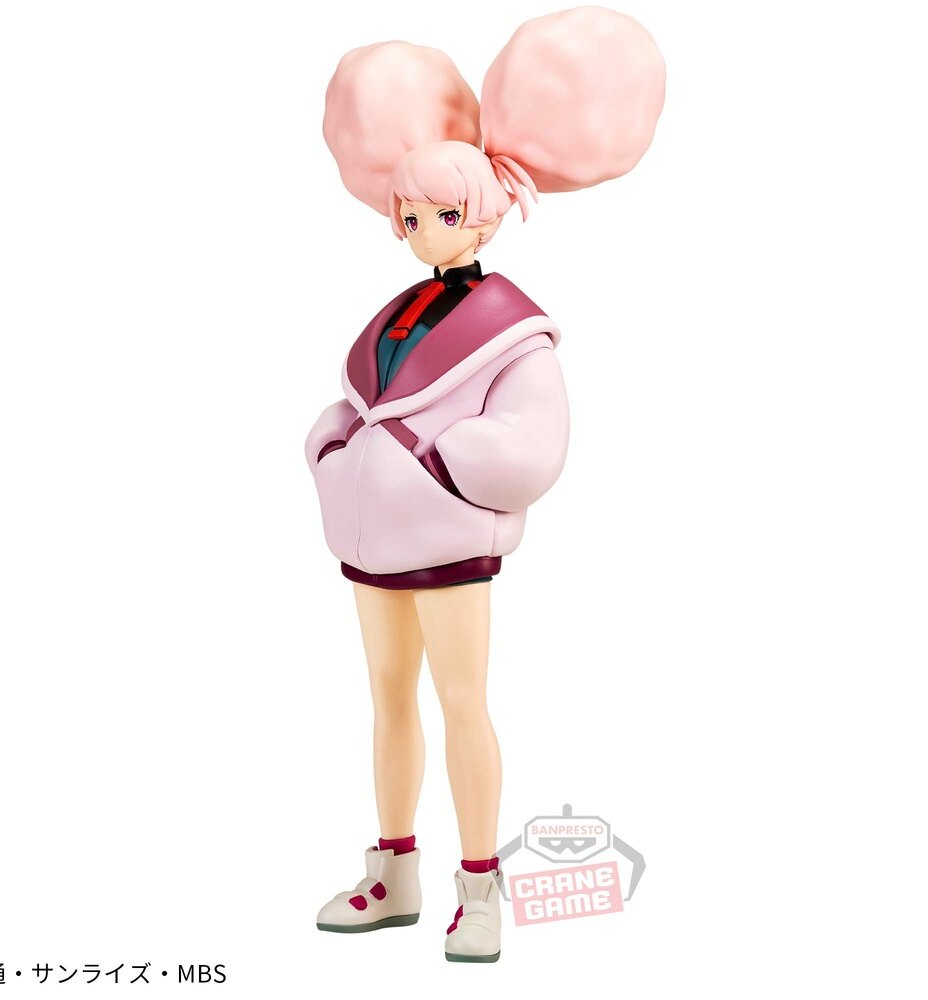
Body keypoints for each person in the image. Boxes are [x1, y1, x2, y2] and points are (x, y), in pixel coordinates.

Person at [304, 5, 665, 963]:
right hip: (371, 539)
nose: (422, 231)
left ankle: (479, 889)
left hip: (447, 539)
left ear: (491, 210)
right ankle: (393, 870)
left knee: (462, 700)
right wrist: (333, 449)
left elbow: (535, 444)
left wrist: (443, 463)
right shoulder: (396, 313)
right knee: (388, 697)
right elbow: (363, 397)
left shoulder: (516, 330)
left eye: (443, 214)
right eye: (410, 217)